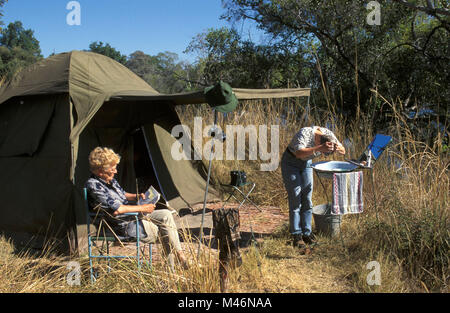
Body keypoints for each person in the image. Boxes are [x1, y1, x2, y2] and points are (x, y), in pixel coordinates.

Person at [85, 146, 189, 270]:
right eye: (112, 169)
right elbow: (118, 209)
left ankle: (179, 255)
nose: (116, 171)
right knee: (165, 230)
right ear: (100, 171)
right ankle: (171, 269)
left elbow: (122, 194)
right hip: (121, 225)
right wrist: (143, 208)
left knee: (166, 214)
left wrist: (136, 196)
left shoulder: (109, 180)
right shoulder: (94, 186)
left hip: (132, 217)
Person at [281, 126, 346, 250]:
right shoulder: (304, 133)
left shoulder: (328, 134)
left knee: (307, 198)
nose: (321, 154)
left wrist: (338, 148)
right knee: (296, 198)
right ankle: (296, 235)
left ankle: (307, 233)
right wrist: (320, 148)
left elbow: (343, 150)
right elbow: (299, 153)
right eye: (322, 152)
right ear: (317, 140)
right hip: (291, 162)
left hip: (306, 164)